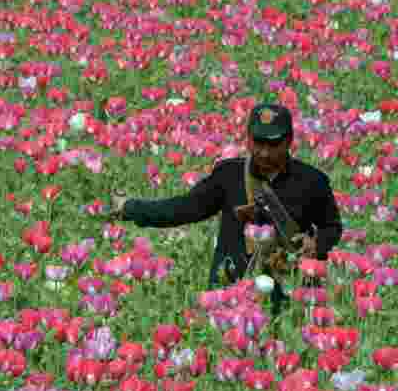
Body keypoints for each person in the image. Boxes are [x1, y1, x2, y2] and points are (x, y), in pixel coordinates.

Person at [107, 103, 343, 295]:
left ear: (289, 141)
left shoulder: (312, 181)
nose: (264, 152)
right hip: (230, 291)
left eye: (273, 144)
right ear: (248, 139)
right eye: (258, 142)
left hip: (288, 291)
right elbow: (184, 208)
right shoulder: (229, 175)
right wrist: (130, 208)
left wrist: (317, 244)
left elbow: (332, 227)